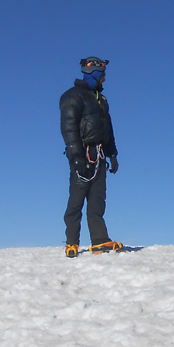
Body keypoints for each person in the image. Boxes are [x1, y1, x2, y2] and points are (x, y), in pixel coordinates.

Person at [60, 57, 123, 257]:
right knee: (77, 199)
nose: (104, 79)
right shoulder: (73, 96)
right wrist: (77, 156)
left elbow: (108, 128)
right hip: (83, 153)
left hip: (100, 154)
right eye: (102, 75)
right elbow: (69, 128)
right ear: (94, 73)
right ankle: (72, 242)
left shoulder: (101, 100)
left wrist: (112, 153)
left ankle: (100, 240)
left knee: (97, 199)